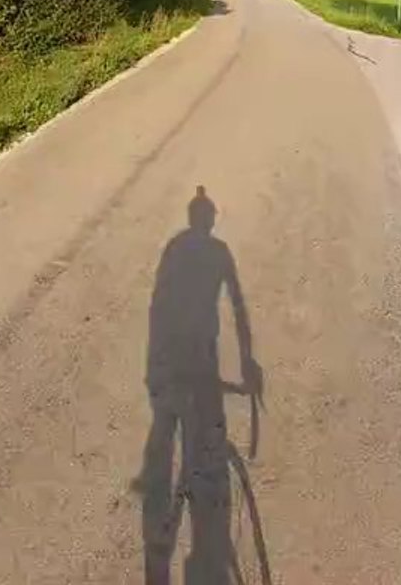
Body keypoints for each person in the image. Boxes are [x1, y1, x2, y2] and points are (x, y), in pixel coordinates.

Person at [139, 186, 261, 585]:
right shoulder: (220, 252)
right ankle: (200, 514)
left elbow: (158, 303)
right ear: (209, 220)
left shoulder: (174, 247)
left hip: (170, 356)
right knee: (206, 445)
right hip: (201, 360)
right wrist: (247, 362)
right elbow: (238, 307)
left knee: (165, 430)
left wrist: (153, 360)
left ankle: (160, 510)